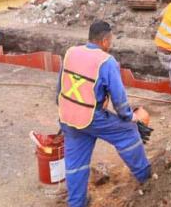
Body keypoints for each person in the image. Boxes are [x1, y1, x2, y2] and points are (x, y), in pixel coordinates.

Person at [57, 21, 151, 207]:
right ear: (105, 41)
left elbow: (61, 86)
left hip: (68, 115)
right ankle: (146, 178)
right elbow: (119, 98)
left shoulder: (71, 52)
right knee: (128, 132)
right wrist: (129, 117)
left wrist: (65, 110)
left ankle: (77, 203)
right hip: (92, 116)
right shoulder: (106, 62)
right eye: (111, 40)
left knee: (76, 163)